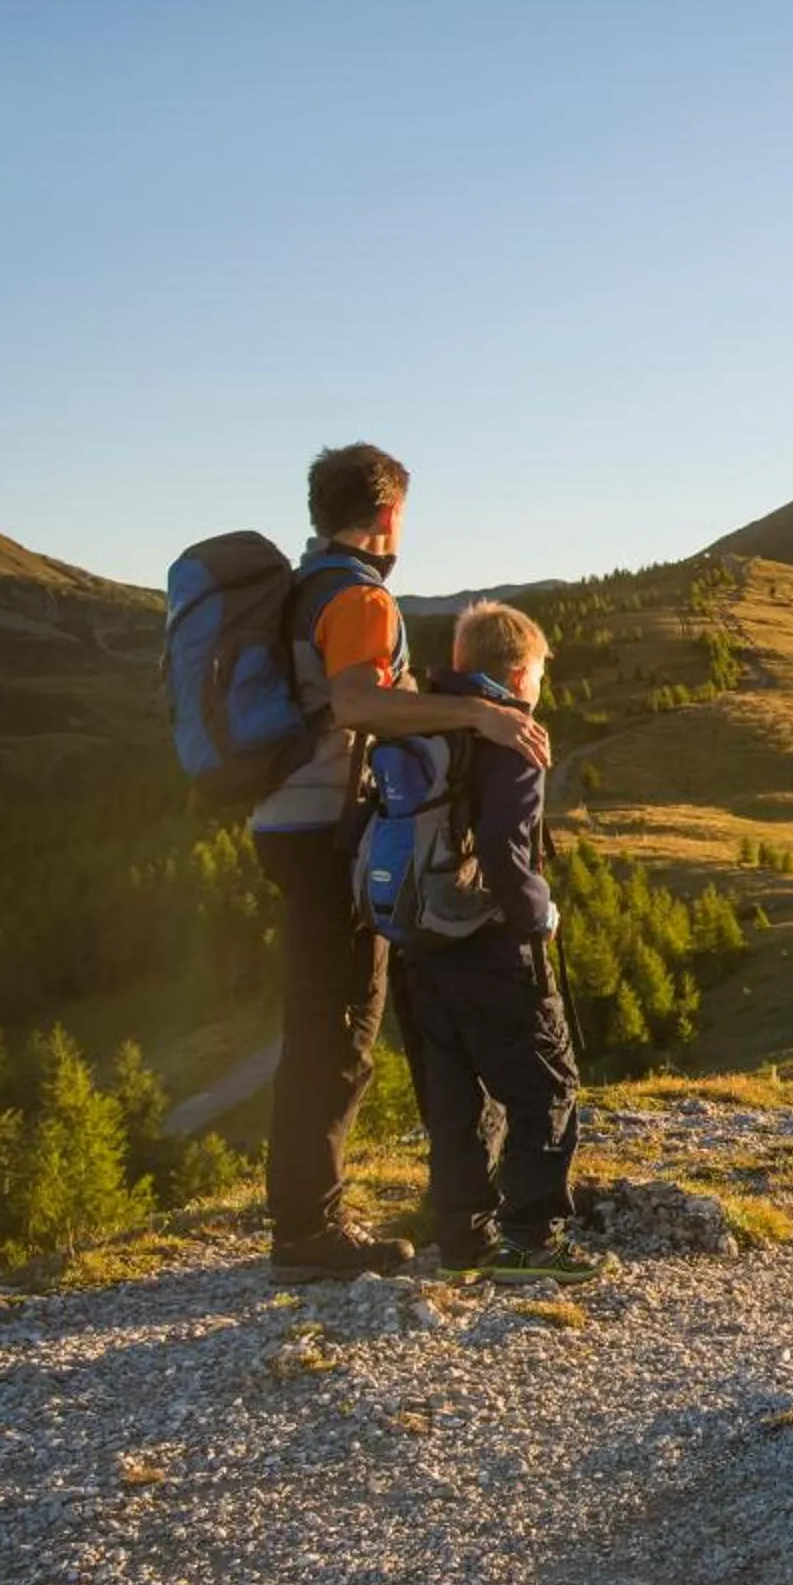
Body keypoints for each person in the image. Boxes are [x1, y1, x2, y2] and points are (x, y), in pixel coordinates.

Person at [252, 443, 551, 1284]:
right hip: (325, 829)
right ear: (388, 514)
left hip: (285, 820)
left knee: (323, 1019)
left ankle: (306, 1218)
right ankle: (308, 1233)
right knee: (339, 1028)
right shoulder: (357, 595)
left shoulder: (302, 587)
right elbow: (357, 702)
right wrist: (478, 717)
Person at [405, 601, 599, 1284]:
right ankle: (531, 1240)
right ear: (520, 675)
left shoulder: (419, 719)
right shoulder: (514, 735)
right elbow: (504, 849)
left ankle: (462, 1238)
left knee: (455, 1095)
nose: (539, 687)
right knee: (545, 1085)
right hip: (490, 942)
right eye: (540, 674)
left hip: (421, 938)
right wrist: (537, 917)